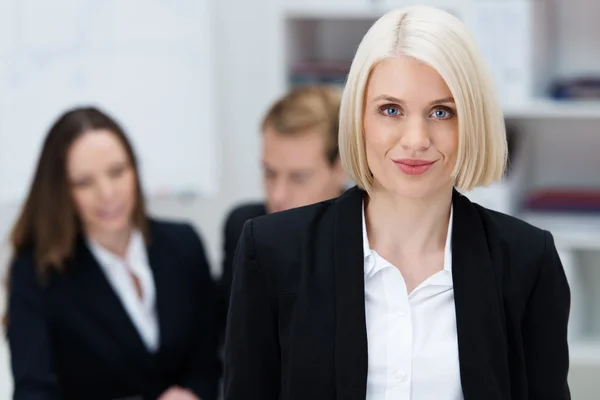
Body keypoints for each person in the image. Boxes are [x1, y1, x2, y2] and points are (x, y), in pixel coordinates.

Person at [223, 5, 570, 400]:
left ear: (472, 122)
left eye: (442, 112)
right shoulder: (271, 251)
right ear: (359, 119)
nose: (416, 139)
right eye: (391, 110)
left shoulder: (527, 260)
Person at [6, 107, 221, 400]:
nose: (107, 193)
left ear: (134, 169)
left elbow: (211, 360)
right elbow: (33, 391)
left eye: (117, 172)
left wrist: (193, 393)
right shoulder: (37, 272)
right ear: (61, 191)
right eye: (84, 182)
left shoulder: (183, 244)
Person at [217, 85, 346, 322]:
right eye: (269, 173)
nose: (277, 196)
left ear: (340, 168)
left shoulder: (373, 240)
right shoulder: (245, 228)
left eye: (298, 178)